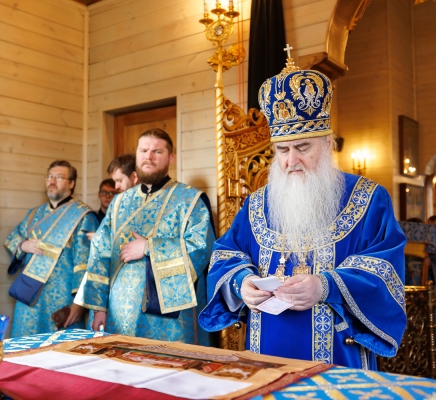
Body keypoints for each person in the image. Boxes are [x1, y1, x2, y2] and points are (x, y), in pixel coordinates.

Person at [199, 55, 407, 369]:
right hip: (266, 355)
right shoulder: (257, 203)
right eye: (282, 150)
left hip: (339, 360)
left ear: (327, 144)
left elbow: (385, 273)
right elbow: (225, 254)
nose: (291, 161)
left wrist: (326, 286)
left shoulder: (369, 199)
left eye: (303, 147)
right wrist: (242, 282)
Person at [80, 128, 216, 345]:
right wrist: (99, 308)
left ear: (170, 158)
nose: (148, 157)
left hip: (169, 319)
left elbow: (201, 249)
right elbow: (99, 253)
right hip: (118, 313)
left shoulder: (189, 200)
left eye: (157, 152)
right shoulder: (119, 203)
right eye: (143, 151)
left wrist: (149, 247)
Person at [4, 160, 99, 337]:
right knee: (24, 347)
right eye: (49, 177)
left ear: (71, 183)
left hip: (61, 300)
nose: (52, 181)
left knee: (58, 350)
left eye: (59, 177)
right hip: (28, 298)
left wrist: (79, 304)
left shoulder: (83, 217)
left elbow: (85, 265)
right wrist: (23, 245)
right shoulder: (34, 214)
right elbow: (12, 238)